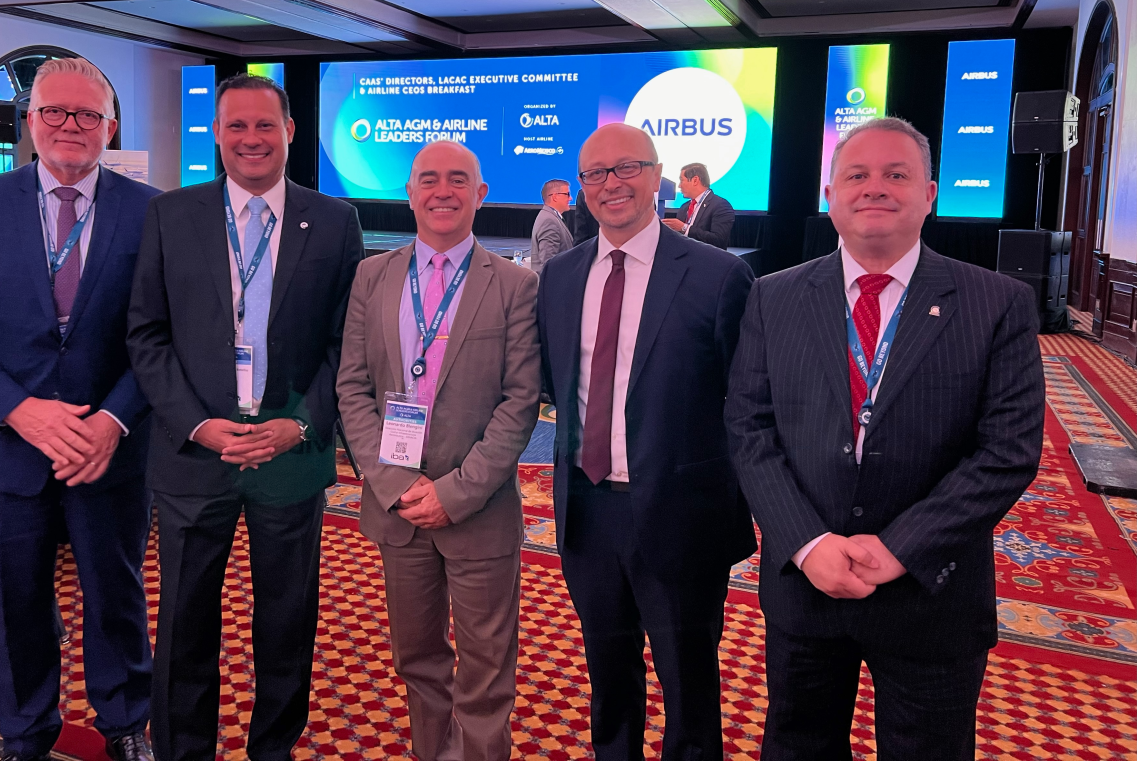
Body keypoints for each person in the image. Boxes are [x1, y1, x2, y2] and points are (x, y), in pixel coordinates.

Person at [726, 117, 1045, 761]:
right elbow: (749, 427)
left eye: (896, 174)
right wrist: (808, 543)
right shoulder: (772, 297)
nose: (875, 187)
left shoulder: (997, 302)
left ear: (929, 194)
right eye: (857, 175)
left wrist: (903, 547)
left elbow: (1007, 451)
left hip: (931, 592)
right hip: (806, 586)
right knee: (797, 746)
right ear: (830, 195)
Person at [0, 58, 157, 761]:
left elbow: (163, 335)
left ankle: (125, 723)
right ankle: (26, 735)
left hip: (108, 448)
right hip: (3, 448)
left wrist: (111, 420)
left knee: (115, 595)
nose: (70, 125)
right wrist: (21, 411)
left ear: (110, 126)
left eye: (88, 114)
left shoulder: (153, 211)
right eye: (54, 111)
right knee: (13, 604)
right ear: (29, 120)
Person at [127, 73, 363, 761]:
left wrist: (302, 424)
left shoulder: (335, 220)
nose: (251, 138)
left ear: (290, 130)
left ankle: (273, 749)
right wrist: (197, 424)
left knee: (287, 620)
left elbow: (346, 344)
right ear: (217, 133)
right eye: (236, 125)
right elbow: (146, 334)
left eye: (265, 125)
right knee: (184, 620)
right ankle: (183, 750)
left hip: (290, 452)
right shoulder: (171, 214)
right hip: (194, 452)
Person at [536, 124, 755, 761]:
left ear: (657, 175)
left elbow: (746, 406)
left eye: (627, 167)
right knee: (608, 676)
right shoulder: (560, 276)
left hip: (682, 516)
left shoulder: (719, 276)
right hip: (587, 510)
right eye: (595, 173)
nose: (612, 184)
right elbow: (554, 382)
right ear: (581, 186)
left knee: (689, 684)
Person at [336, 141, 540, 761]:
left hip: (479, 511)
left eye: (458, 179)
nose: (442, 191)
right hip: (398, 511)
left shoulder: (515, 284)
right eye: (428, 179)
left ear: (481, 194)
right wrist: (395, 485)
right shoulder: (372, 276)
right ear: (410, 192)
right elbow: (352, 388)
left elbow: (520, 401)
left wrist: (453, 493)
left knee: (485, 673)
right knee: (417, 660)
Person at [661, 163, 734, 249]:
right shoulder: (684, 207)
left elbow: (718, 241)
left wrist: (684, 228)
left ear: (695, 180)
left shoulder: (720, 205)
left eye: (682, 180)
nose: (679, 186)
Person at [530, 178, 574, 273]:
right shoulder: (549, 221)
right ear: (555, 197)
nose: (570, 198)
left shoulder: (551, 217)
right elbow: (549, 263)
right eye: (567, 194)